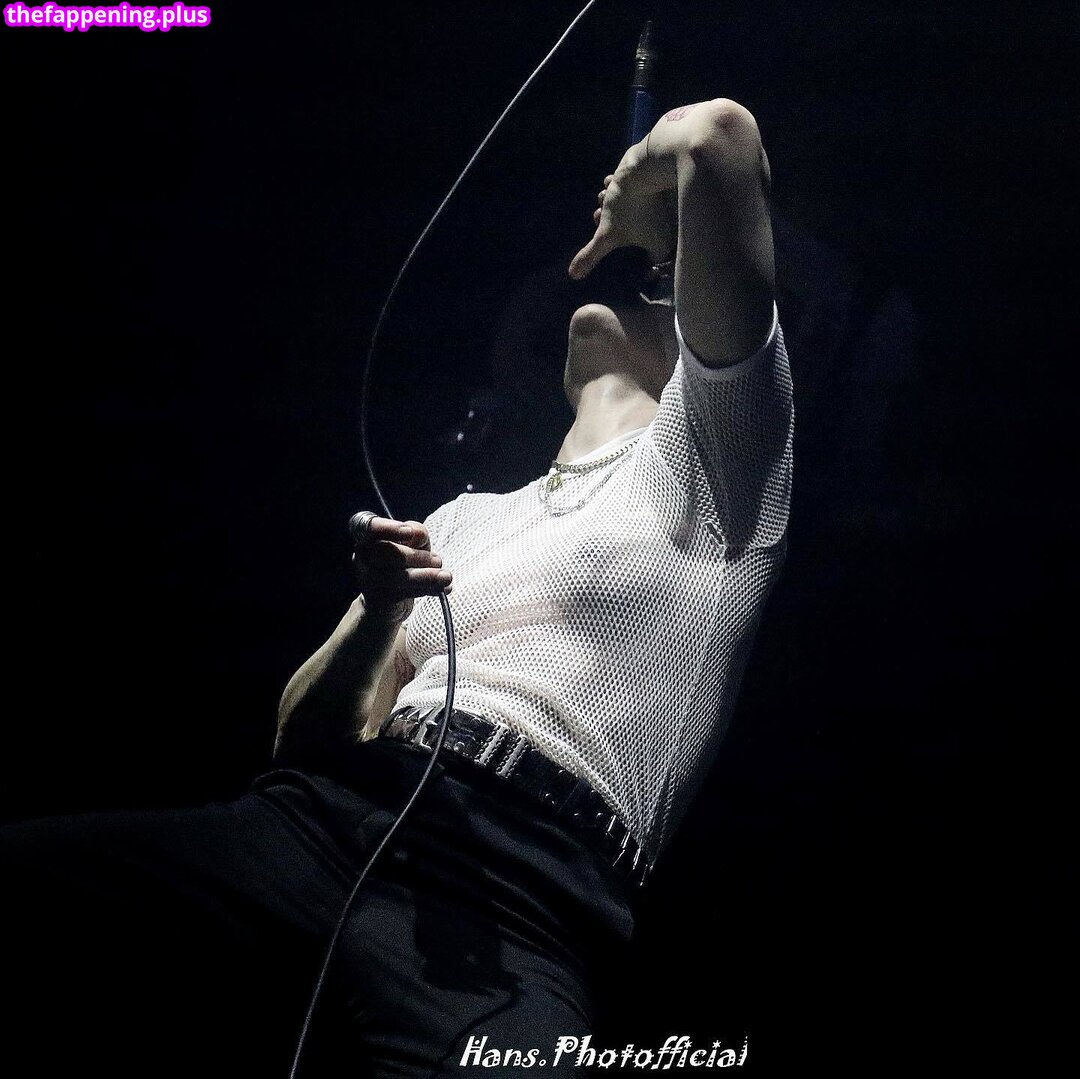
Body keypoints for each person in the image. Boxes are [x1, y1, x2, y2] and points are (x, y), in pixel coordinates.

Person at [0, 98, 792, 1077]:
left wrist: (640, 189)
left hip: (524, 890)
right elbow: (302, 738)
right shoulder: (463, 515)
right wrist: (379, 609)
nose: (619, 293)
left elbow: (719, 137)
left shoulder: (719, 463)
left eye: (656, 287)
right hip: (325, 823)